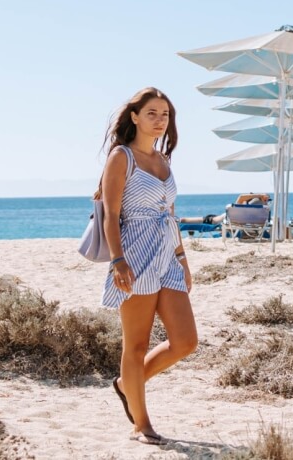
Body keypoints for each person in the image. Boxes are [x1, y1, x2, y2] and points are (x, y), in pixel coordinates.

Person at [93, 87, 196, 446]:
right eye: (151, 113)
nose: (159, 120)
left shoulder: (164, 161)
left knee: (185, 341)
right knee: (134, 346)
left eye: (164, 114)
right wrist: (118, 260)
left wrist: (183, 259)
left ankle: (127, 384)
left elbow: (170, 215)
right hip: (135, 253)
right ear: (134, 116)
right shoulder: (122, 157)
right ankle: (141, 424)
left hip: (167, 253)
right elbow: (111, 214)